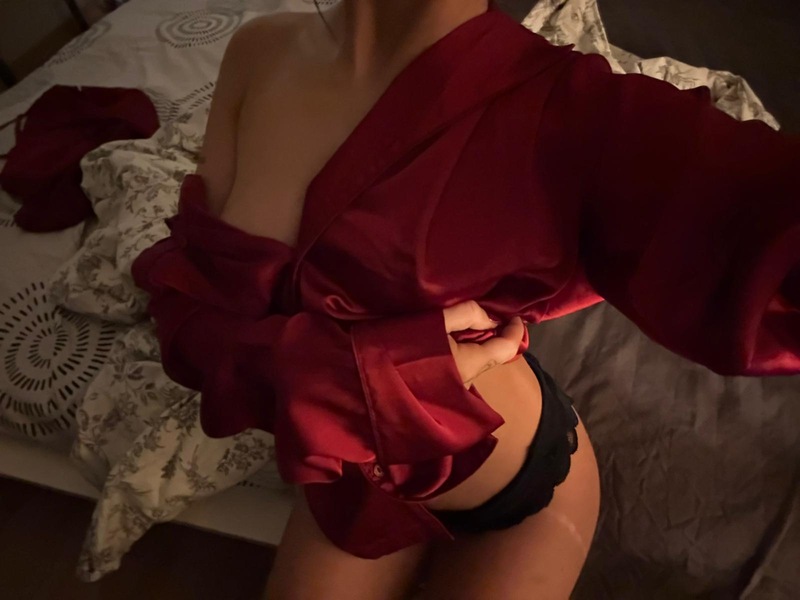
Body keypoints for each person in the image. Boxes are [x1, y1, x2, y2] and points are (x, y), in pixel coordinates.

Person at [130, 0, 799, 598]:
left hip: (521, 483)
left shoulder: (569, 111)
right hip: (354, 477)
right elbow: (185, 306)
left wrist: (341, 383)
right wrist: (349, 383)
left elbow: (758, 237)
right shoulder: (261, 50)